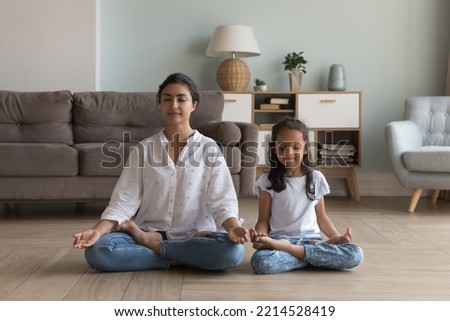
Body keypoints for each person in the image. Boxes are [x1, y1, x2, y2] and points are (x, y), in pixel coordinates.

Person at [73, 73, 249, 272]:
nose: (173, 105)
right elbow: (124, 200)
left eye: (181, 99)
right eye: (167, 99)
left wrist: (233, 228)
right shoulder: (143, 149)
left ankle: (153, 248)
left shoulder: (209, 149)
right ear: (159, 104)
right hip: (149, 230)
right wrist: (97, 231)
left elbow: (222, 201)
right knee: (98, 252)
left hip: (197, 236)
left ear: (194, 105)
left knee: (232, 253)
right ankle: (181, 257)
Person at [250, 116, 364, 274]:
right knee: (261, 262)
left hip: (311, 241)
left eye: (295, 147)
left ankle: (296, 254)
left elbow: (322, 217)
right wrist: (260, 236)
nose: (289, 153)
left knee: (356, 254)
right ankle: (311, 258)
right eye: (282, 148)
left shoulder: (316, 178)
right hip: (279, 242)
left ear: (305, 148)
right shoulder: (266, 181)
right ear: (274, 149)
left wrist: (337, 238)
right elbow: (263, 220)